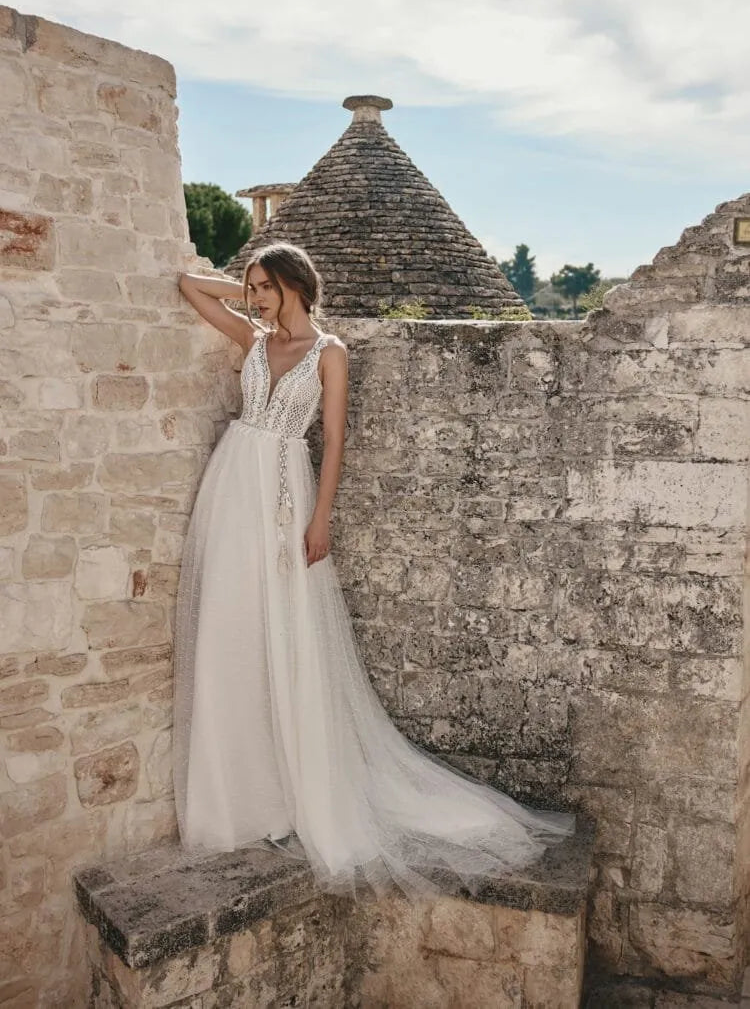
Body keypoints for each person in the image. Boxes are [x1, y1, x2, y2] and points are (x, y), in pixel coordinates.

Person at [172, 241, 574, 901]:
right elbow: (190, 285)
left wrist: (321, 517)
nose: (259, 297)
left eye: (268, 286)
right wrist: (243, 291)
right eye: (254, 288)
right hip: (231, 485)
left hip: (283, 492)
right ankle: (239, 792)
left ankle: (294, 783)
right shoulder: (250, 337)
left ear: (298, 284)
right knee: (229, 628)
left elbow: (333, 441)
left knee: (288, 633)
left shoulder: (330, 353)